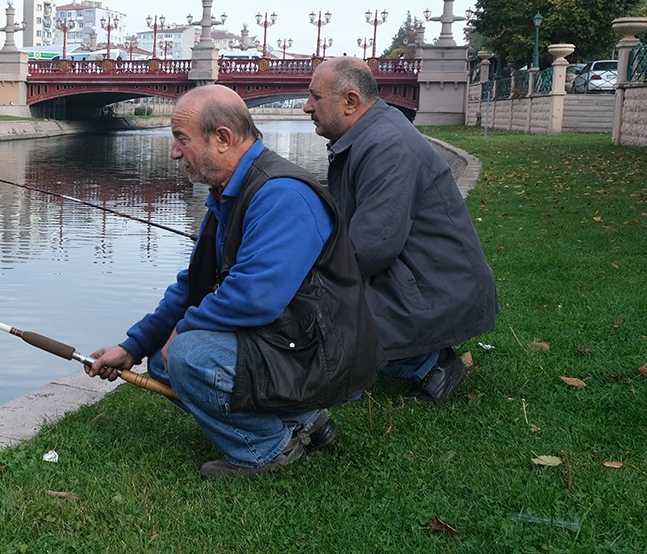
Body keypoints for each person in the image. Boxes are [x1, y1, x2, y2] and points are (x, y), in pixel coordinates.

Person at [86, 85, 382, 480]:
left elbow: (254, 297)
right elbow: (192, 286)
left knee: (188, 354)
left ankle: (266, 449)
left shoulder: (282, 195)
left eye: (181, 140)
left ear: (222, 138)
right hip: (293, 340)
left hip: (325, 355)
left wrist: (181, 333)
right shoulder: (231, 193)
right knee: (163, 358)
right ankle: (304, 418)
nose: (175, 152)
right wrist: (133, 346)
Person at [303, 57, 498, 403]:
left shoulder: (387, 145)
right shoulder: (372, 136)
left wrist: (304, 273)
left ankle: (431, 364)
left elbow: (372, 247)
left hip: (437, 289)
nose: (306, 107)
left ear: (350, 102)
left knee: (316, 309)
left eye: (315, 97)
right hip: (425, 279)